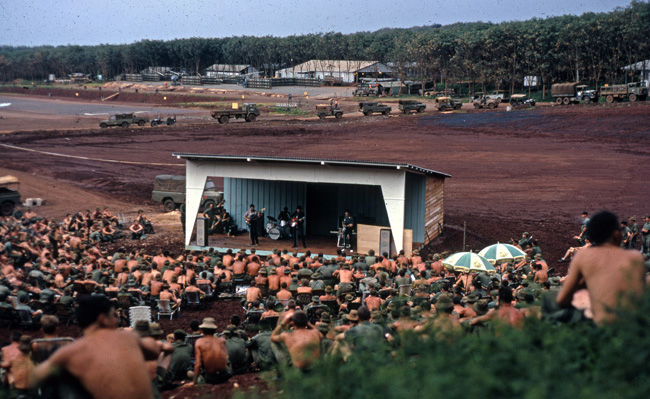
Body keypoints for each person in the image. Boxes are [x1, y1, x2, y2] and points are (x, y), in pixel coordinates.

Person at [30, 295, 160, 399]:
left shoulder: (71, 352)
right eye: (114, 315)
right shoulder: (127, 337)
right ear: (103, 319)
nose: (117, 320)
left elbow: (33, 378)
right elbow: (154, 352)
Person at [557, 211, 645, 325]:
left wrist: (583, 286)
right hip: (629, 324)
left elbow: (562, 299)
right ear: (617, 234)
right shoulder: (636, 257)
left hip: (599, 324)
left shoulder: (583, 257)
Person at [192, 317, 230, 385]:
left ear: (202, 330)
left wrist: (193, 381)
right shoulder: (222, 341)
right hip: (224, 375)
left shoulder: (199, 342)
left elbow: (198, 364)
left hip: (210, 377)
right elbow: (226, 358)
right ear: (214, 330)